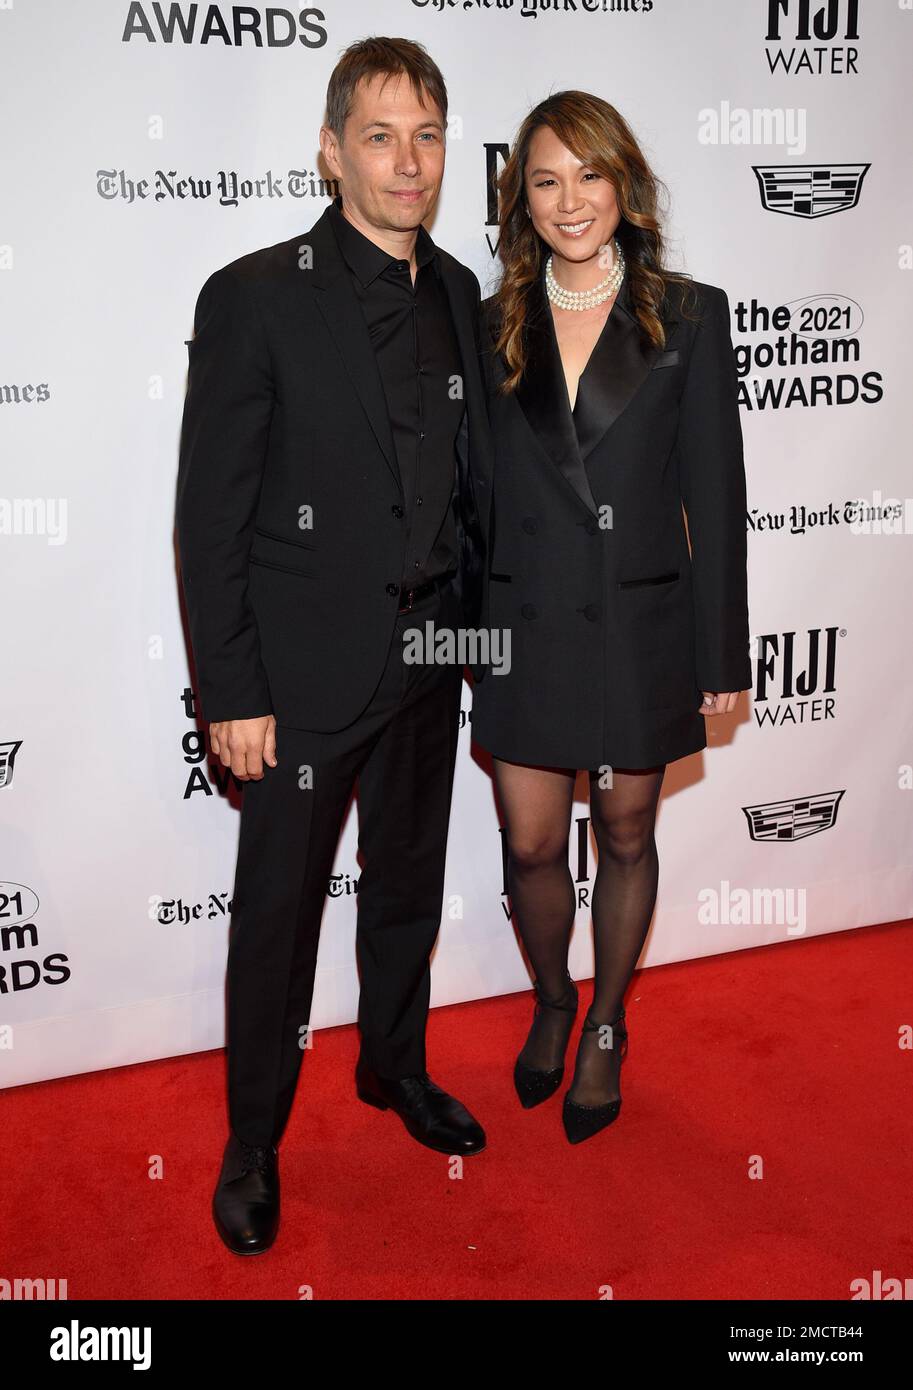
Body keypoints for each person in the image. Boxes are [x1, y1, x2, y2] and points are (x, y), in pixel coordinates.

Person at [176, 37, 492, 1255]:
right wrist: (233, 690)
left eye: (425, 135)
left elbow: (474, 491)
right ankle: (252, 1139)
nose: (406, 161)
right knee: (277, 918)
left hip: (432, 656)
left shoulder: (460, 292)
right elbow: (210, 515)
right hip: (302, 676)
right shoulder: (254, 294)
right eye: (379, 134)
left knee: (406, 889)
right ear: (330, 147)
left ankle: (393, 1069)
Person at [471, 90, 751, 1144]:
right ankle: (550, 995)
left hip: (640, 625)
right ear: (522, 201)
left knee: (626, 830)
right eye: (545, 180)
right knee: (534, 843)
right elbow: (472, 493)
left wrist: (720, 647)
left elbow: (713, 494)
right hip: (525, 624)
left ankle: (606, 1021)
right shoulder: (492, 316)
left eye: (588, 174)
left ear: (623, 184)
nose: (569, 199)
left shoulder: (689, 312)